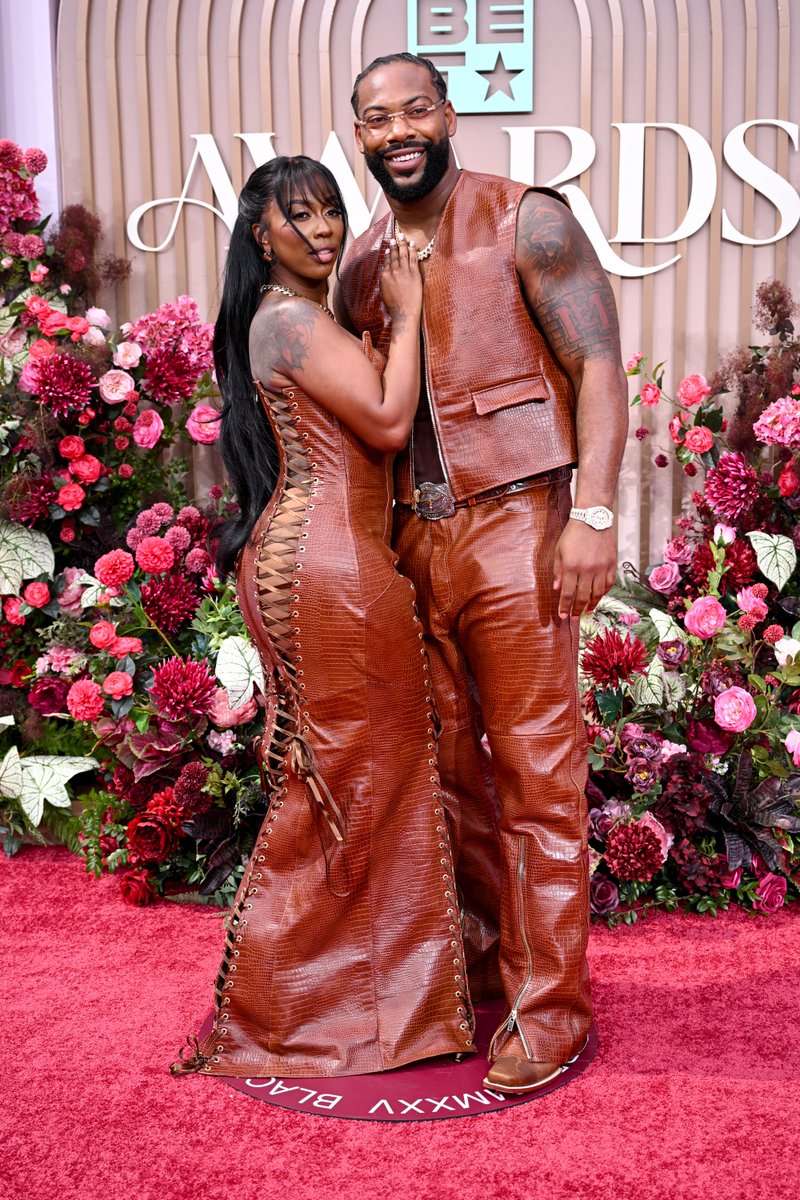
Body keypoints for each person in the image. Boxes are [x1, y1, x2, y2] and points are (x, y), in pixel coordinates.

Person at [336, 53, 629, 1094]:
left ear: (449, 114)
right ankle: (485, 973)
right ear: (360, 136)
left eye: (416, 107)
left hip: (517, 524)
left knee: (539, 780)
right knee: (452, 778)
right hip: (413, 543)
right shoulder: (360, 263)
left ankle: (553, 1010)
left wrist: (588, 514)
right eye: (377, 117)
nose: (398, 128)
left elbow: (597, 362)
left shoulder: (525, 217)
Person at [172, 156, 474, 1079]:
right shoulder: (292, 318)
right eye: (296, 218)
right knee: (356, 778)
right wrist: (414, 300)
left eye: (332, 212)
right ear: (259, 235)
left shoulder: (292, 318)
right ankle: (305, 1010)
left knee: (349, 775)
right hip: (329, 568)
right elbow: (387, 421)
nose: (322, 231)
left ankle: (356, 1004)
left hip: (317, 559)